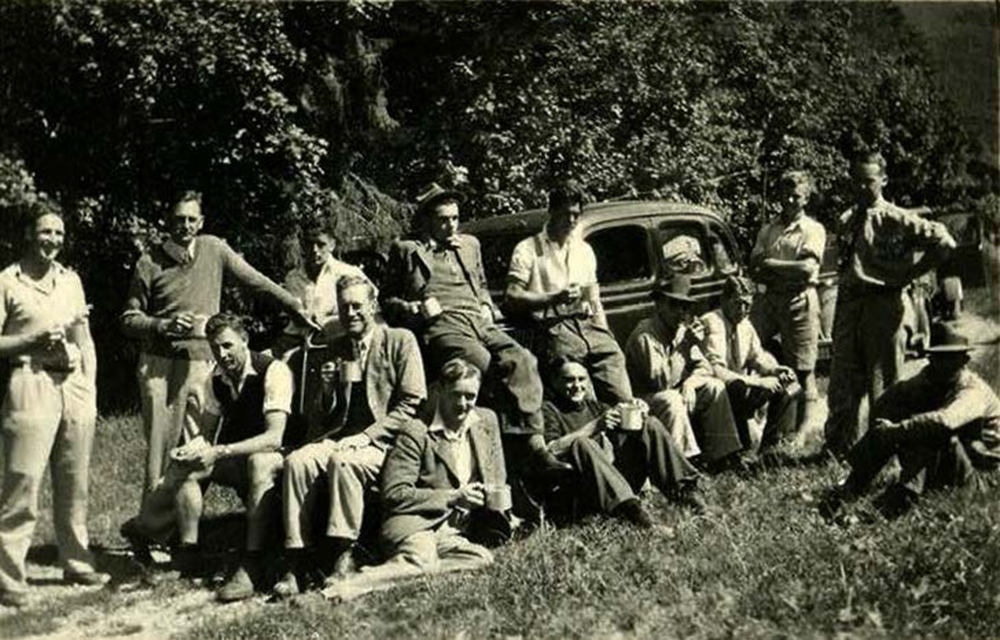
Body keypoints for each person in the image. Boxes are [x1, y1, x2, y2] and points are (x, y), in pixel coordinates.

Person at [121, 191, 317, 518]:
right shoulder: (149, 261)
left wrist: (293, 305)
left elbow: (256, 281)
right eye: (178, 219)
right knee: (160, 450)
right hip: (159, 366)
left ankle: (179, 530)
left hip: (203, 364)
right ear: (168, 223)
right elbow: (129, 319)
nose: (184, 225)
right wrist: (162, 324)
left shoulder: (213, 248)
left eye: (191, 219)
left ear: (201, 222)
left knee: (195, 448)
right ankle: (152, 528)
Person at [380, 182, 568, 476]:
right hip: (443, 324)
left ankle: (536, 446)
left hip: (478, 319)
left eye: (455, 218)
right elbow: (386, 300)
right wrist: (414, 309)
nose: (451, 225)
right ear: (427, 219)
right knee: (486, 366)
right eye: (443, 219)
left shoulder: (470, 244)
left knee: (523, 360)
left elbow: (479, 284)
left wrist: (484, 304)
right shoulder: (406, 249)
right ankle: (510, 454)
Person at [274, 275, 426, 598]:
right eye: (344, 308)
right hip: (341, 436)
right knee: (298, 461)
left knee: (344, 461)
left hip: (385, 442)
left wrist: (368, 436)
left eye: (358, 306)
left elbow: (412, 402)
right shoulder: (336, 346)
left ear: (373, 306)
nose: (351, 313)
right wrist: (327, 390)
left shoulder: (400, 340)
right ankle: (296, 558)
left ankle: (345, 554)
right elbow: (324, 419)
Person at [131, 313, 291, 602]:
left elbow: (274, 438)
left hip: (278, 456)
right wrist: (190, 449)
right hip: (235, 454)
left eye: (228, 345)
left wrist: (220, 451)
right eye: (215, 348)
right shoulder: (214, 378)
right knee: (189, 468)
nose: (222, 354)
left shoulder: (273, 371)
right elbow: (206, 433)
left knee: (257, 463)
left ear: (245, 340)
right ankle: (187, 553)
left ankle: (251, 561)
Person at [321, 358, 509, 602]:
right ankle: (344, 588)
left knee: (481, 559)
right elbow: (395, 494)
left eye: (470, 396)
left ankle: (403, 570)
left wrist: (499, 504)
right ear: (440, 391)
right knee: (422, 561)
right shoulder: (416, 431)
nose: (463, 404)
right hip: (415, 523)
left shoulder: (486, 421)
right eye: (456, 395)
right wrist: (453, 497)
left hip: (453, 531)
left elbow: (496, 473)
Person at [0, 202, 109, 609]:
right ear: (29, 233)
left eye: (59, 234)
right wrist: (31, 341)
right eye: (45, 232)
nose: (53, 241)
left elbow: (85, 338)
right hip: (30, 381)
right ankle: (9, 576)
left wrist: (89, 386)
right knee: (23, 480)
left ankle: (77, 563)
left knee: (74, 480)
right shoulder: (7, 282)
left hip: (74, 386)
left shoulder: (71, 280)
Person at [824, 153, 956, 456]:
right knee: (843, 380)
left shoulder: (896, 217)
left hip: (883, 306)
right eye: (856, 180)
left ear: (883, 180)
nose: (861, 187)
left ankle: (883, 447)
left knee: (882, 383)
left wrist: (910, 274)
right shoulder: (847, 218)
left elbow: (945, 242)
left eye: (868, 181)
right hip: (850, 305)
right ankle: (838, 447)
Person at [819, 323, 999, 521]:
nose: (938, 365)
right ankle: (853, 486)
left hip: (984, 474)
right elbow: (892, 398)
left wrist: (897, 430)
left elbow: (944, 422)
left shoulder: (972, 390)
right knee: (899, 419)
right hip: (954, 466)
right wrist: (887, 424)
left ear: (963, 360)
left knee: (931, 433)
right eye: (935, 358)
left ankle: (883, 510)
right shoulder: (935, 377)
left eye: (947, 359)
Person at [540, 356, 707, 528]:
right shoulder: (548, 410)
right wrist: (595, 426)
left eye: (581, 379)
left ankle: (687, 494)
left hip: (614, 485)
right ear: (554, 381)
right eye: (569, 380)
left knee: (650, 424)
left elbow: (627, 433)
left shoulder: (595, 406)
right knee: (582, 443)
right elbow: (550, 450)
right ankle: (638, 520)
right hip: (579, 488)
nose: (577, 386)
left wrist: (635, 410)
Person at [505, 182, 631, 404]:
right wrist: (555, 297)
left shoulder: (584, 250)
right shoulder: (527, 249)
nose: (571, 221)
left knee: (615, 362)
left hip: (588, 326)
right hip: (552, 328)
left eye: (575, 214)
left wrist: (604, 332)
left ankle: (625, 417)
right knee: (576, 382)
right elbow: (512, 296)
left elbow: (594, 299)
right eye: (565, 214)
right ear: (551, 211)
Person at [625, 275, 744, 467]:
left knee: (714, 387)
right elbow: (659, 382)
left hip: (677, 392)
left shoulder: (681, 331)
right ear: (659, 305)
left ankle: (724, 456)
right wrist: (685, 347)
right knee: (671, 398)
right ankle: (684, 465)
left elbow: (705, 368)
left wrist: (689, 384)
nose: (681, 312)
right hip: (645, 400)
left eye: (685, 307)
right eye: (674, 305)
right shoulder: (645, 335)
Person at [749, 170, 826, 431]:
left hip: (799, 300)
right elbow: (754, 266)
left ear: (806, 199)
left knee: (803, 367)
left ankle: (803, 430)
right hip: (769, 299)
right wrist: (782, 267)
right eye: (786, 195)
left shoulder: (813, 229)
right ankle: (759, 424)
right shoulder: (769, 229)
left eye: (797, 196)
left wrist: (770, 264)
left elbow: (806, 269)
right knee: (753, 355)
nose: (791, 201)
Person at [701, 276, 800, 455]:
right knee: (738, 388)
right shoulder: (712, 322)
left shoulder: (745, 324)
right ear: (724, 300)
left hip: (740, 384)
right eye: (737, 303)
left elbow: (757, 356)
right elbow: (716, 370)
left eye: (747, 305)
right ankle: (740, 450)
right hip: (715, 393)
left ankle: (773, 446)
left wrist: (774, 370)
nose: (743, 310)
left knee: (789, 386)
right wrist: (758, 383)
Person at [273, 217, 376, 358]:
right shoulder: (293, 277)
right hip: (296, 341)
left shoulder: (349, 272)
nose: (314, 250)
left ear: (332, 245)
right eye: (309, 244)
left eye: (321, 244)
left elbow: (372, 310)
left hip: (336, 341)